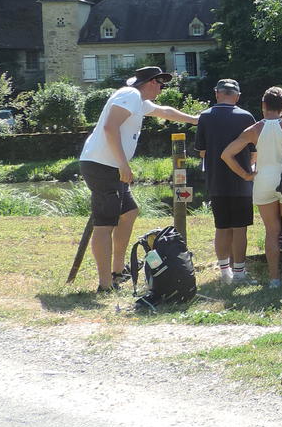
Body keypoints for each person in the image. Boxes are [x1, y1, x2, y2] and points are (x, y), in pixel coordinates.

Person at [78, 65, 200, 293]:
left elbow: (166, 112)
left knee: (129, 212)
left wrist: (195, 119)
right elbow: (109, 127)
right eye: (161, 85)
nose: (161, 90)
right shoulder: (130, 95)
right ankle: (105, 285)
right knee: (104, 225)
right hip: (103, 165)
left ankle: (117, 271)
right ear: (153, 82)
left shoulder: (137, 100)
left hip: (109, 164)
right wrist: (123, 164)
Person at [221, 86, 282, 290]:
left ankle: (274, 279)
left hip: (263, 182)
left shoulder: (255, 129)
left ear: (263, 105)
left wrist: (246, 174)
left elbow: (226, 154)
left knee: (271, 232)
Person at [193, 77, 256, 285]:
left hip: (215, 180)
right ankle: (239, 273)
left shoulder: (205, 117)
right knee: (240, 228)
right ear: (237, 96)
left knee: (221, 227)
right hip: (241, 180)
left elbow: (201, 152)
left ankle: (224, 272)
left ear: (217, 93)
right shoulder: (247, 117)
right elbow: (254, 151)